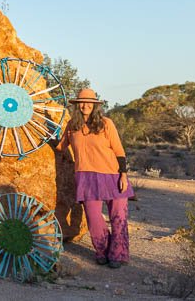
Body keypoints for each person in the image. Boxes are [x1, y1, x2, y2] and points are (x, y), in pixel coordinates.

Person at [56, 88, 133, 268]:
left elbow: (119, 151)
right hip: (86, 177)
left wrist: (123, 174)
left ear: (95, 105)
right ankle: (102, 251)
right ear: (77, 105)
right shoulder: (72, 127)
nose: (85, 105)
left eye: (89, 102)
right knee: (93, 218)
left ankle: (118, 255)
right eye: (81, 102)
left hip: (113, 175)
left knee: (118, 215)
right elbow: (60, 147)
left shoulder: (106, 123)